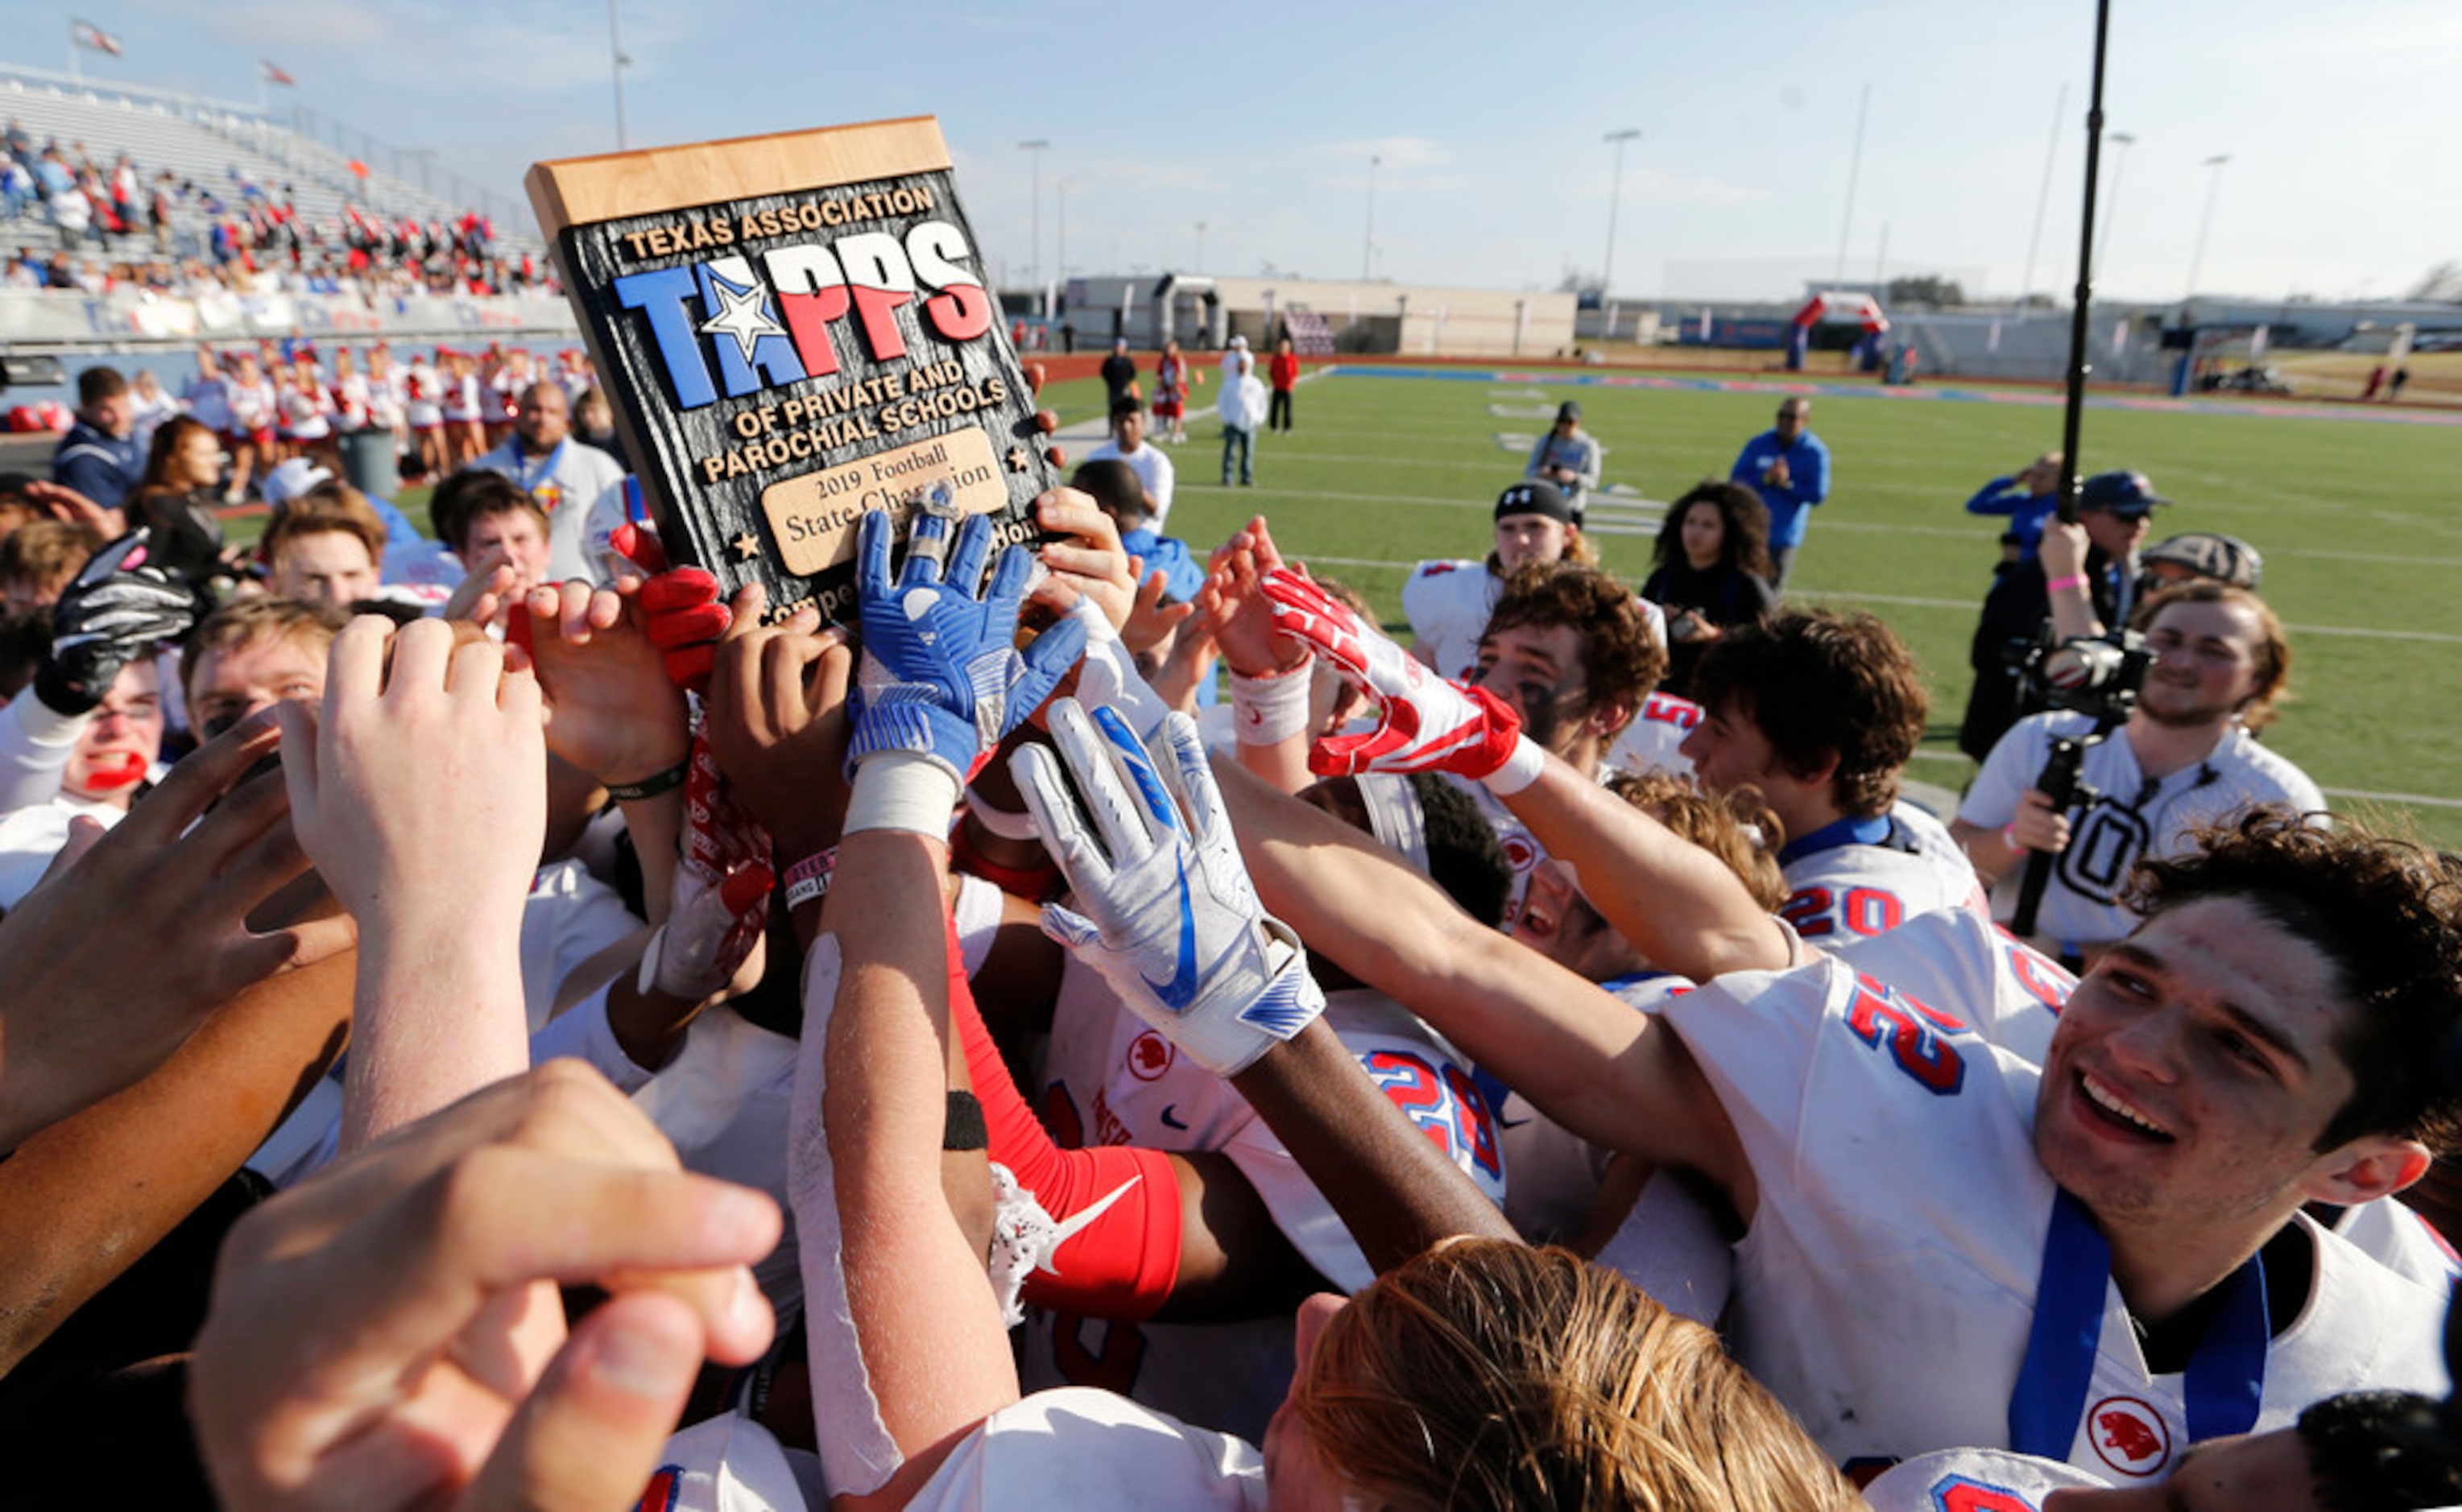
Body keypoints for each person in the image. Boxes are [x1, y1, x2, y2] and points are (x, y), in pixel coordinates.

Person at [1222, 634, 2460, 1478]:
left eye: (2238, 1049)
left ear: (2364, 1169)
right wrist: (1140, 748)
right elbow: (1464, 961)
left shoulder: (2403, 1371)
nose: (2132, 1048)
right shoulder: (1901, 1093)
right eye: (2128, 981)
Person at [1951, 580, 2326, 965]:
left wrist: (2070, 959)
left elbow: (2256, 949)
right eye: (2167, 640)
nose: (2181, 662)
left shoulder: (2274, 796)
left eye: (2214, 651)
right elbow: (1951, 868)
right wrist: (2014, 837)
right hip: (2000, 980)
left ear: (2258, 678)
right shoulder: (2044, 737)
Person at [1680, 606, 1984, 941]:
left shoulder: (1830, 932)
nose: (1690, 746)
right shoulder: (1912, 829)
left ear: (1813, 764)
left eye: (1720, 732)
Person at [1959, 469, 2164, 762]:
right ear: (2085, 517)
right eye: (2126, 515)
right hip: (2024, 739)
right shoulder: (2043, 577)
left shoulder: (2122, 572)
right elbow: (1990, 654)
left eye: (2147, 514)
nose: (2140, 525)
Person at [1403, 479, 1595, 683]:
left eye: (1535, 526)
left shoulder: (1593, 602)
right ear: (1496, 536)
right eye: (1508, 528)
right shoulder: (1453, 588)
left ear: (1567, 535)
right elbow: (1417, 680)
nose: (1521, 539)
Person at [472, 378, 629, 585]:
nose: (542, 418)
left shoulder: (598, 466)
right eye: (534, 409)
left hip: (586, 596)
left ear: (566, 419)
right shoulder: (483, 472)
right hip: (504, 599)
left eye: (552, 411)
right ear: (518, 413)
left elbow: (626, 538)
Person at [1640, 479, 1777, 696]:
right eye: (1691, 522)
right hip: (1666, 693)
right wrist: (1657, 620)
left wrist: (1714, 636)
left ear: (1730, 532)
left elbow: (1770, 648)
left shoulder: (1746, 585)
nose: (1695, 533)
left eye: (1708, 526)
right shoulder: (1663, 578)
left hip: (1720, 696)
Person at [1728, 395, 1830, 590]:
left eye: (1792, 417)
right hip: (1751, 533)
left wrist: (1787, 484)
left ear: (1805, 421)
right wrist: (1765, 479)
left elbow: (1817, 494)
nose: (1785, 421)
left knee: (1770, 599)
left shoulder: (1814, 452)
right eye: (1781, 415)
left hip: (1783, 536)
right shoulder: (1759, 444)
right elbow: (1735, 481)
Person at [259, 487, 387, 606]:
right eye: (314, 579)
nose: (339, 596)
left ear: (375, 577)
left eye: (352, 575)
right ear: (274, 587)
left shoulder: (403, 621)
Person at [49, 365, 143, 514]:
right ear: (85, 406)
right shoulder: (82, 461)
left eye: (124, 406)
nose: (119, 417)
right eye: (107, 410)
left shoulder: (125, 438)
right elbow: (103, 525)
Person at [1081, 393, 1176, 528]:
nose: (1126, 427)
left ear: (1143, 423)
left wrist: (1128, 483)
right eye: (1121, 421)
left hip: (1143, 540)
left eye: (1132, 421)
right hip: (1107, 538)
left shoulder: (1157, 461)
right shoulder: (1098, 457)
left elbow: (1158, 511)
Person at [1964, 450, 2065, 561]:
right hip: (2011, 572)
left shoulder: (2063, 508)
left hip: (2041, 574)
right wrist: (2011, 481)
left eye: (2041, 477)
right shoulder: (2022, 501)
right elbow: (1975, 506)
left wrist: (2023, 555)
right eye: (2032, 475)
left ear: (2060, 480)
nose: (2033, 481)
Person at [1524, 400, 1603, 512]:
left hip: (1573, 506)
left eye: (1570, 423)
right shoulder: (1545, 442)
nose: (1565, 427)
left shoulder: (1588, 445)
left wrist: (1574, 478)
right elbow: (1529, 474)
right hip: (1546, 505)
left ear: (1579, 423)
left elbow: (1593, 481)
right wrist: (1542, 473)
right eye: (1562, 422)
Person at [1218, 345, 1264, 488]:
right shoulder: (1230, 383)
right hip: (1233, 422)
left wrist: (1259, 418)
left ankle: (1246, 476)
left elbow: (1263, 402)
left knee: (1248, 453)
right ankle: (1227, 476)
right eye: (1240, 364)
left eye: (1245, 364)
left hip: (1250, 423)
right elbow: (1222, 401)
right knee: (1230, 452)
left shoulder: (1255, 384)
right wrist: (1226, 418)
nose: (1242, 366)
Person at [1153, 337, 1192, 444]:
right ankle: (1162, 431)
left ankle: (1177, 432)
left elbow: (1178, 376)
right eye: (1168, 348)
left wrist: (1174, 388)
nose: (1169, 350)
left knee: (1177, 411)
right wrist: (1161, 384)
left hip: (1176, 388)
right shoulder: (1164, 360)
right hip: (1166, 387)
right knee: (1162, 409)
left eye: (1171, 348)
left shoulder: (1178, 360)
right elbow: (1159, 374)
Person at [1267, 333, 1298, 432]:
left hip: (1288, 387)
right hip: (1277, 386)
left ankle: (1287, 427)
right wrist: (1274, 381)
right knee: (1275, 408)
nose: (1282, 348)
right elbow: (1271, 371)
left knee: (1287, 409)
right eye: (1281, 346)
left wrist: (1291, 382)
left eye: (1284, 346)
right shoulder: (1276, 359)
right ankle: (1274, 427)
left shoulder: (1292, 358)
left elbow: (1295, 372)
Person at [1099, 336, 1138, 411]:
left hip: (1125, 388)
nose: (1118, 349)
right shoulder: (1110, 360)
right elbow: (1105, 372)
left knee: (1124, 407)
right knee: (1114, 407)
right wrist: (1110, 382)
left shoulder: (1128, 361)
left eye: (1120, 347)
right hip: (1113, 388)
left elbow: (1132, 373)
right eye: (1117, 347)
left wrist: (1127, 383)